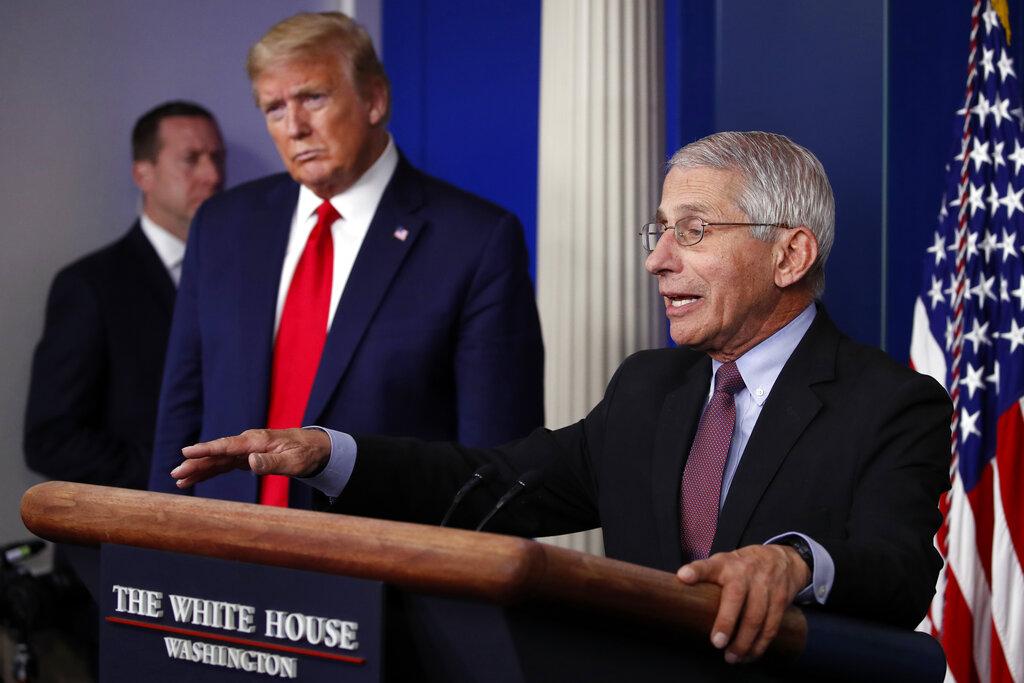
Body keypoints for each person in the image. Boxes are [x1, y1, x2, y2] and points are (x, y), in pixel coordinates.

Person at [167, 132, 951, 664]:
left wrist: (793, 563)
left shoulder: (890, 403)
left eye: (694, 230)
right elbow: (490, 489)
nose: (658, 260)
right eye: (658, 232)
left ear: (789, 253)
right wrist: (329, 453)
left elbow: (896, 570)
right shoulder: (648, 386)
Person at [148, 12, 544, 509]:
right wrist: (159, 545)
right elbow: (181, 414)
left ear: (374, 100)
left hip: (382, 567)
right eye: (273, 108)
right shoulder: (223, 225)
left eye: (313, 97)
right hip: (225, 556)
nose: (294, 126)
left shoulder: (475, 240)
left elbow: (495, 462)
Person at [25, 100, 225, 490]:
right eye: (191, 159)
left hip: (229, 529)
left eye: (218, 158)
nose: (213, 175)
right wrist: (173, 476)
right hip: (124, 536)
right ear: (143, 174)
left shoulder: (244, 275)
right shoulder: (90, 285)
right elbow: (50, 440)